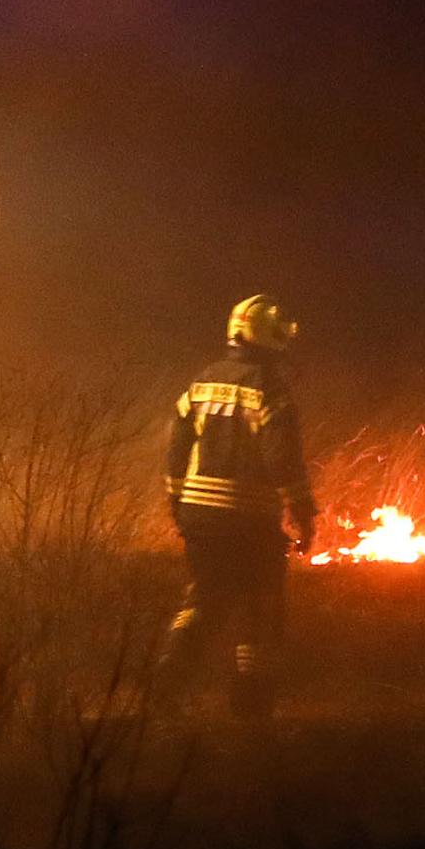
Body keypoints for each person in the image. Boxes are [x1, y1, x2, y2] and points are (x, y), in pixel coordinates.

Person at [163, 296, 313, 716]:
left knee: (205, 598)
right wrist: (302, 511)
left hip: (199, 516)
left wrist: (178, 501)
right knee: (259, 603)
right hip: (248, 519)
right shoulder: (270, 389)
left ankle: (168, 677)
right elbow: (282, 457)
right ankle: (251, 701)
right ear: (265, 336)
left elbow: (175, 449)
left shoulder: (201, 382)